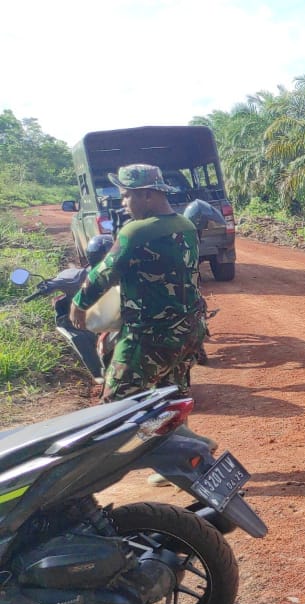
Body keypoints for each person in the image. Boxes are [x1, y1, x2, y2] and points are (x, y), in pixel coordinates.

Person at [70, 164, 216, 484]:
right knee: (170, 395)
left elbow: (104, 273)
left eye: (126, 196)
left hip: (149, 337)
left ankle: (93, 482)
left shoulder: (136, 232)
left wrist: (79, 304)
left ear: (148, 195)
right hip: (188, 330)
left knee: (113, 405)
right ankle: (186, 449)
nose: (123, 202)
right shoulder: (186, 225)